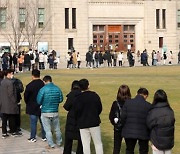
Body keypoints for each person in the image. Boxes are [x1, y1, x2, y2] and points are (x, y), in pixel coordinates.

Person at [74, 79, 103, 154]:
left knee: (85, 144)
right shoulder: (94, 95)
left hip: (82, 122)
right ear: (88, 86)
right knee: (98, 143)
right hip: (94, 121)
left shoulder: (78, 98)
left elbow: (76, 111)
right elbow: (99, 108)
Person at [121, 88, 151, 154]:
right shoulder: (148, 106)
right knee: (143, 151)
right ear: (145, 95)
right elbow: (150, 120)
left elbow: (123, 117)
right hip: (143, 132)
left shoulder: (128, 103)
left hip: (129, 131)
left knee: (129, 150)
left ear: (136, 93)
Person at [37, 75, 63, 149]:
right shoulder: (57, 88)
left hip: (45, 111)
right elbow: (60, 99)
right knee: (57, 128)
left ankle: (51, 144)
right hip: (55, 110)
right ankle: (59, 142)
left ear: (44, 81)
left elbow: (38, 101)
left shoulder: (42, 89)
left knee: (48, 130)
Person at [147, 89, 175, 154]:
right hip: (168, 142)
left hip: (157, 142)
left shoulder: (153, 111)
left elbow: (149, 124)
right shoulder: (170, 111)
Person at [24, 69, 46, 142]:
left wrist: (28, 103)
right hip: (42, 105)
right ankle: (44, 136)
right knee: (43, 122)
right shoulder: (43, 84)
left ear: (32, 76)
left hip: (32, 106)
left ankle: (33, 137)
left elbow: (26, 96)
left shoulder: (29, 85)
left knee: (33, 123)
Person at [109, 85, 131, 154]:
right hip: (128, 128)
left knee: (116, 148)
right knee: (129, 148)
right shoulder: (131, 103)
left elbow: (111, 116)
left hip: (118, 127)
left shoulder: (115, 103)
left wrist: (115, 123)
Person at [0, 69, 22, 138]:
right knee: (12, 118)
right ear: (8, 74)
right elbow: (11, 94)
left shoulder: (3, 81)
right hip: (10, 103)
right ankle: (13, 131)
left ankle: (4, 132)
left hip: (4, 102)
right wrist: (15, 101)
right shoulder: (10, 83)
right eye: (11, 73)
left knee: (4, 118)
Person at [63, 80, 83, 154]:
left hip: (71, 118)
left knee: (68, 140)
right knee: (81, 140)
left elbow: (66, 107)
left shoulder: (71, 94)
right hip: (80, 119)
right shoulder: (82, 94)